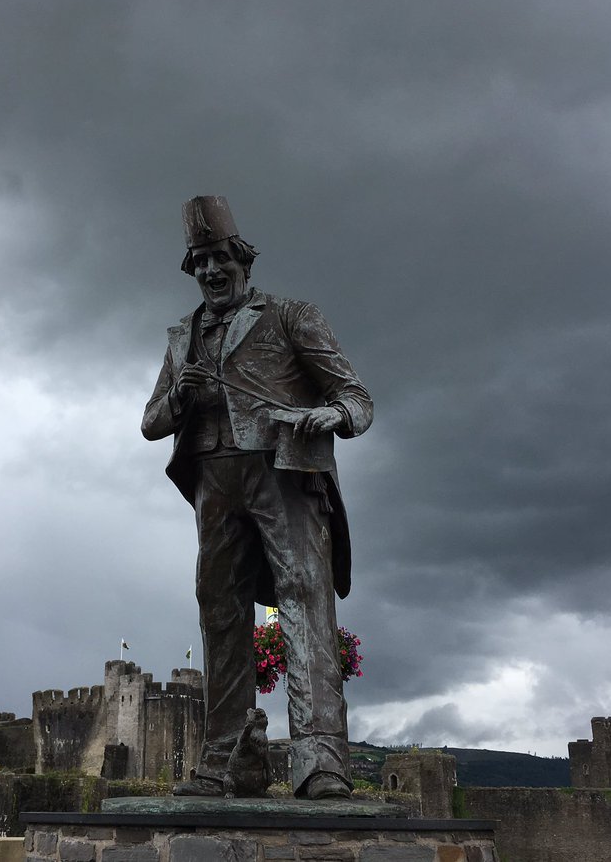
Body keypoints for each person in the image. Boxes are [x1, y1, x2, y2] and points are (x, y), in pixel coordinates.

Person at [142, 196, 373, 800]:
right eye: (200, 262)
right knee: (219, 611)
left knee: (304, 600)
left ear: (242, 261)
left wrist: (329, 415)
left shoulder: (292, 315)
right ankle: (227, 763)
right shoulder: (181, 336)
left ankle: (321, 763)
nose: (210, 270)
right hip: (212, 482)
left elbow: (356, 398)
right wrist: (183, 396)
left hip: (282, 472)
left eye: (220, 258)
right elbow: (150, 423)